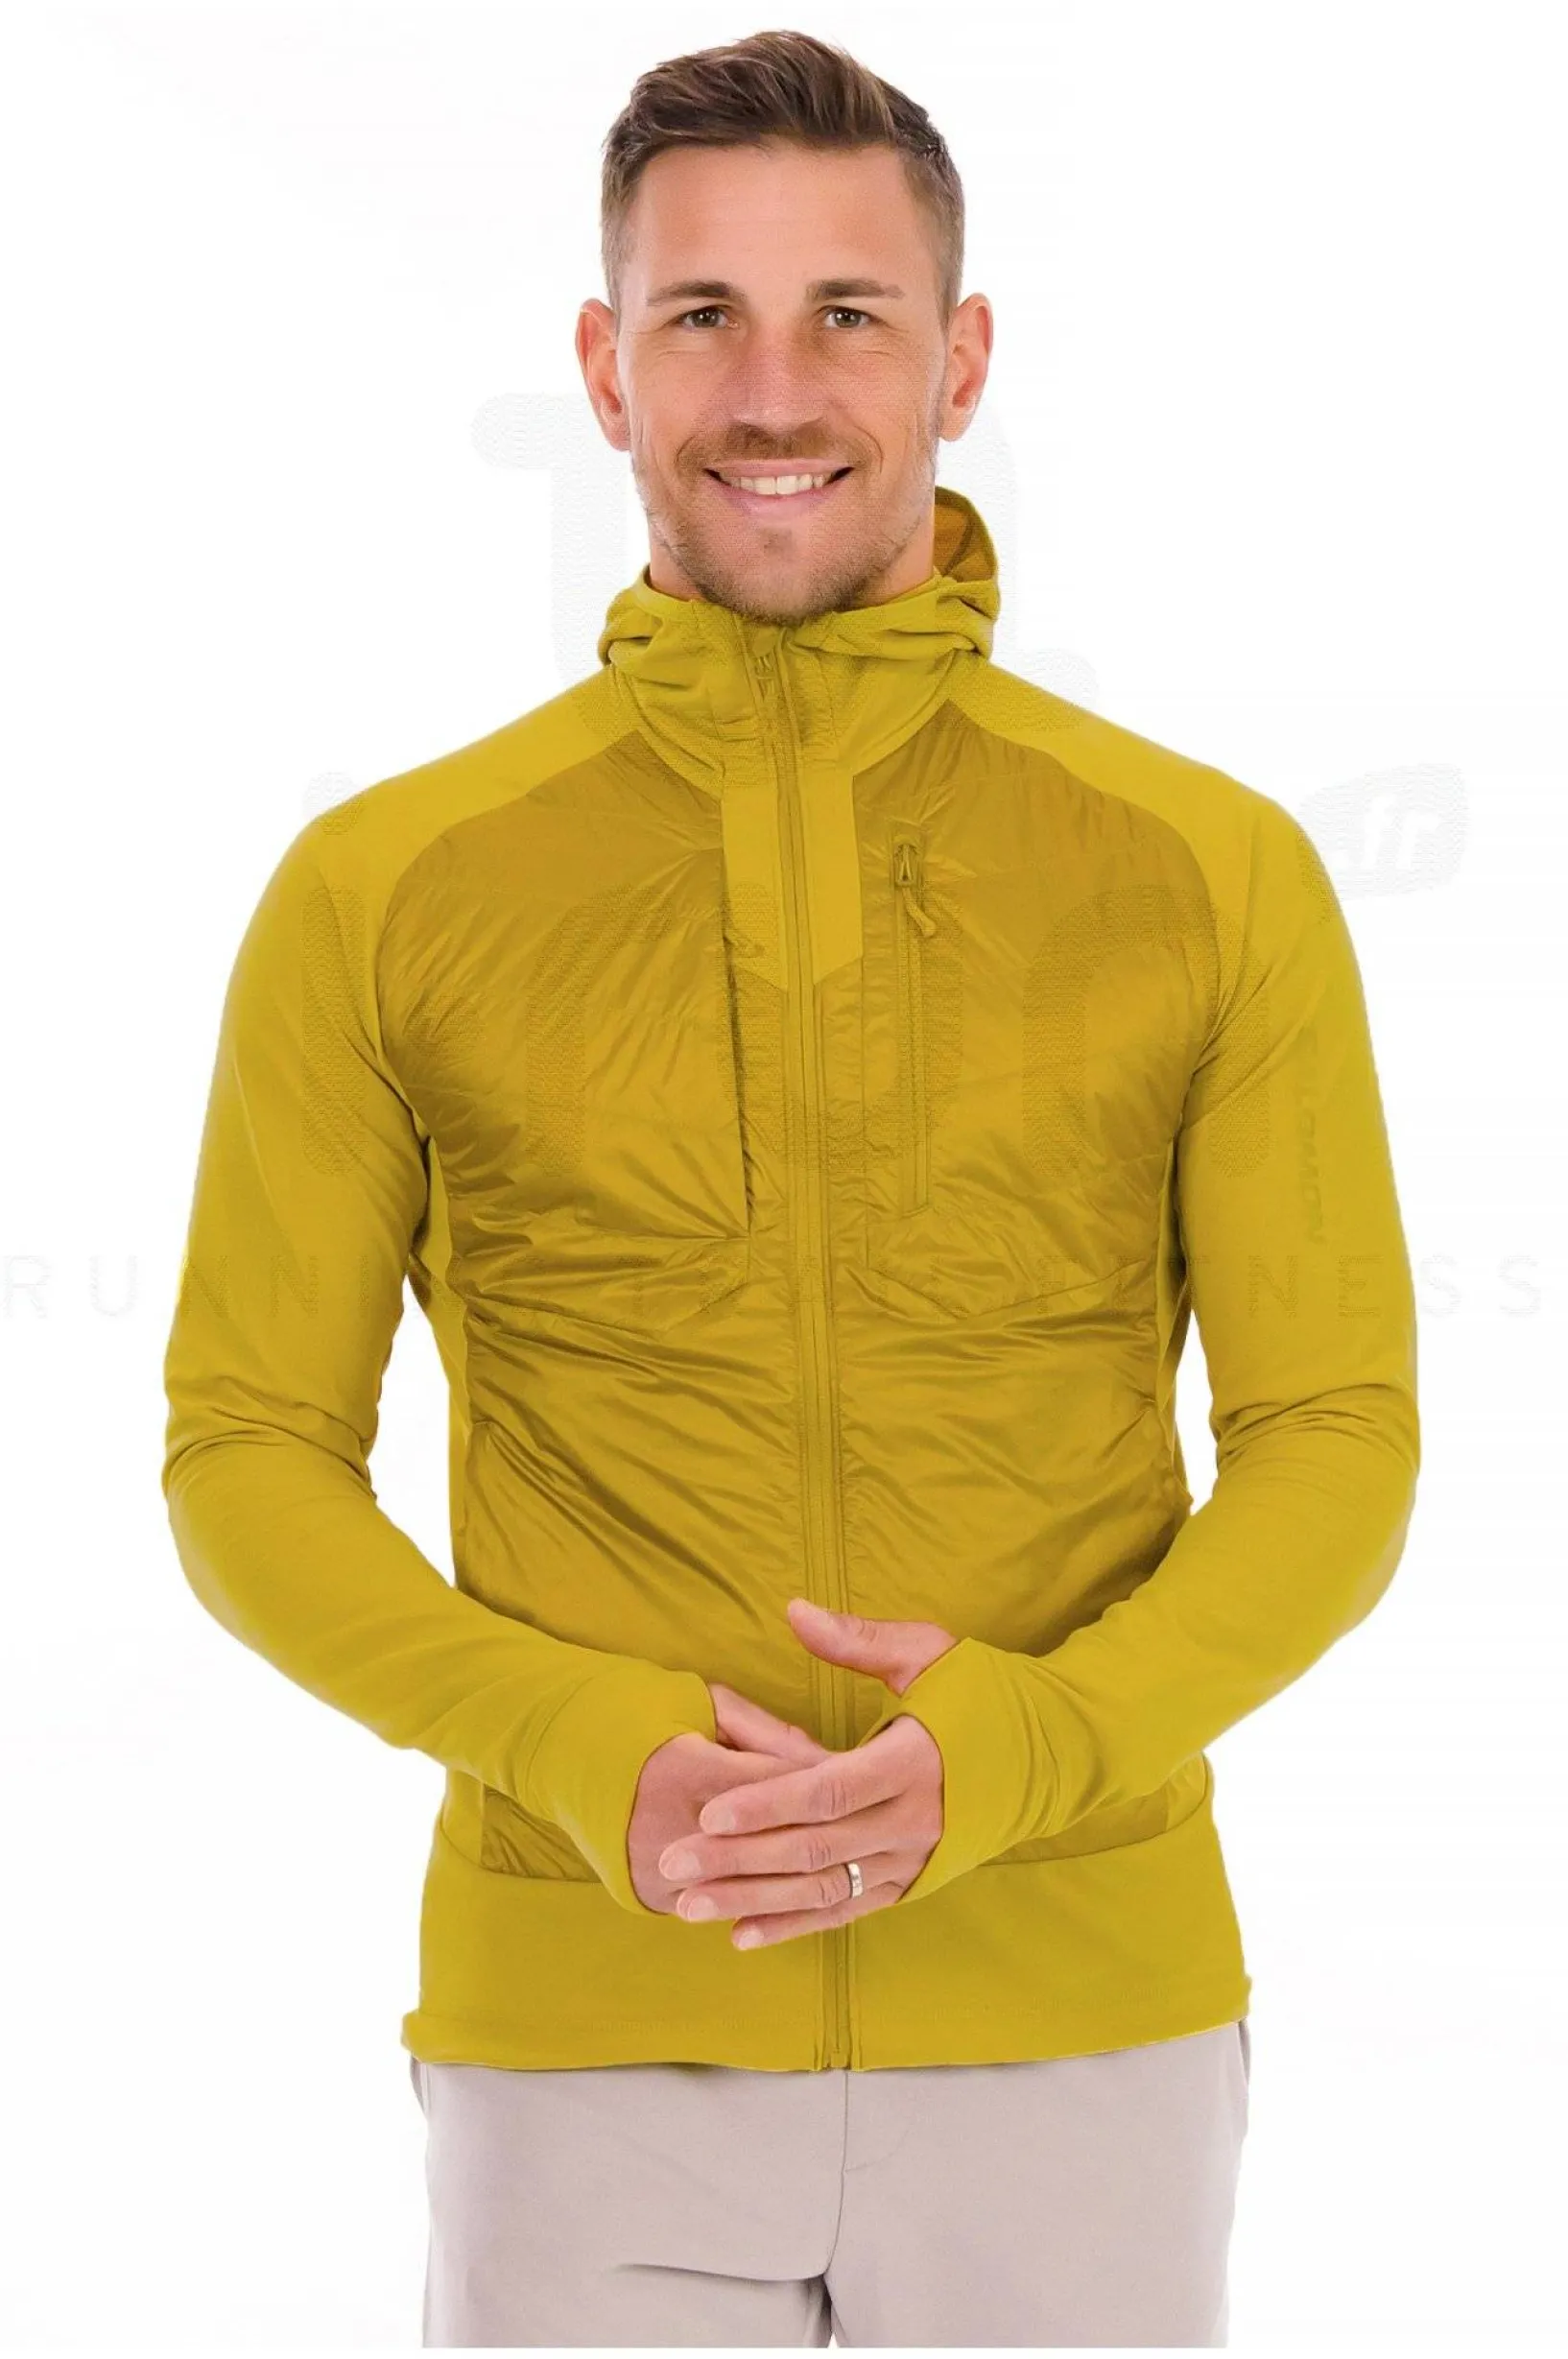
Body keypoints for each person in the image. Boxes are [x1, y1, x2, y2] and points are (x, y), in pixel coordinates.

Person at [159, 27, 1420, 2348]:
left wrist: (1028, 1747)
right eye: (700, 315)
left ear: (958, 358)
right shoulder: (382, 886)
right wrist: (579, 1746)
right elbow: (244, 1453)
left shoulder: (1211, 869)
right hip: (584, 2037)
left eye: (847, 313)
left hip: (1081, 2026)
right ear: (602, 365)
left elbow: (1335, 1435)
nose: (772, 389)